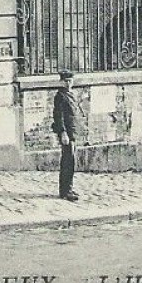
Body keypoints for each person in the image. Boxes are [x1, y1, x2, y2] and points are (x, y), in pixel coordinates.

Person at [52, 69, 80, 200]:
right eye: (66, 81)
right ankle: (65, 191)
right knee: (67, 161)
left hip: (72, 132)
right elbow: (59, 116)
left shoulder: (71, 94)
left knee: (71, 161)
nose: (68, 83)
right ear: (62, 82)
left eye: (70, 81)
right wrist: (63, 132)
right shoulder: (60, 96)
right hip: (67, 133)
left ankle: (69, 188)